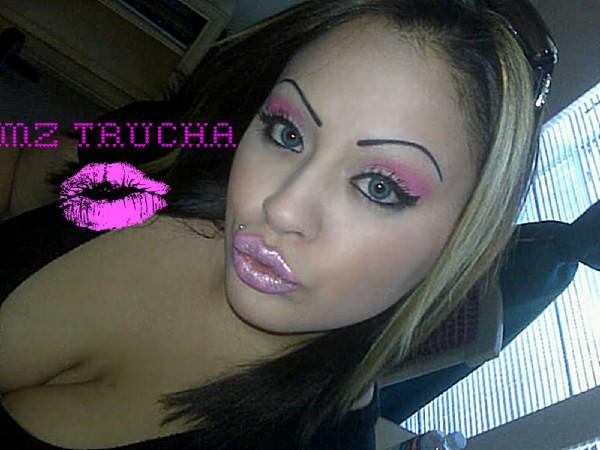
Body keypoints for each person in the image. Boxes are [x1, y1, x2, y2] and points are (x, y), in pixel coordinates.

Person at [0, 0, 557, 448]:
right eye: (288, 133)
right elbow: (31, 161)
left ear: (460, 245)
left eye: (379, 187)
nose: (282, 207)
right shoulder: (182, 143)